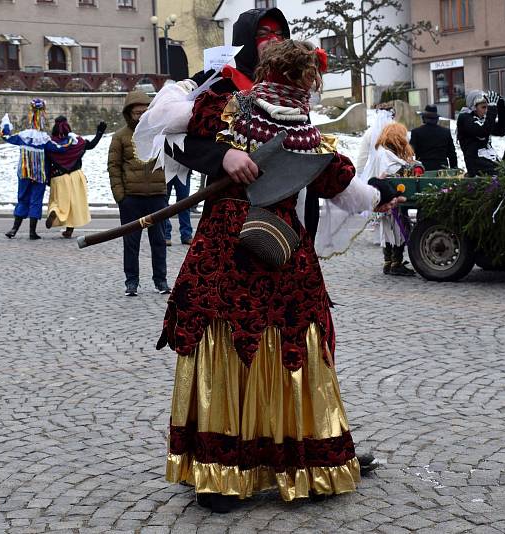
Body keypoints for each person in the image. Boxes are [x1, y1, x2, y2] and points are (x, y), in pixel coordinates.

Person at [159, 34, 400, 512]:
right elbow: (178, 140)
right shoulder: (229, 107)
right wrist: (223, 157)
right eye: (307, 77)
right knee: (275, 347)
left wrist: (376, 194)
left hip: (253, 249)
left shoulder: (291, 130)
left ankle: (234, 471)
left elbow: (343, 187)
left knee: (242, 346)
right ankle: (258, 468)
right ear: (306, 79)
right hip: (253, 250)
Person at [108, 91, 170, 296]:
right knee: (131, 243)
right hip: (131, 199)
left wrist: (165, 189)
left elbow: (172, 160)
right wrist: (120, 197)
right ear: (129, 114)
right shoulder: (120, 137)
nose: (141, 116)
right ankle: (131, 282)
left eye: (145, 112)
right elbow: (114, 167)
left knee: (159, 241)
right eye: (137, 113)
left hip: (157, 195)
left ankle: (160, 281)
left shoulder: (161, 133)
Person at [2, 98, 72, 240]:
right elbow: (60, 149)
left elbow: (6, 136)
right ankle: (32, 232)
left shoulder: (23, 136)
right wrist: (70, 140)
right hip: (40, 175)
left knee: (22, 199)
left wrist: (6, 125)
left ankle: (14, 229)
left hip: (24, 172)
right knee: (36, 200)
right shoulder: (44, 139)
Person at [45, 116, 106, 238]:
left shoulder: (50, 144)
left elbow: (46, 163)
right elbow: (91, 145)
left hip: (59, 177)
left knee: (57, 201)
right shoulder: (76, 141)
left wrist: (47, 178)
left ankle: (55, 211)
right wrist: (99, 132)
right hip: (76, 176)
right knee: (74, 203)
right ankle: (69, 230)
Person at [370, 123, 419, 276]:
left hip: (387, 199)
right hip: (390, 199)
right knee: (396, 229)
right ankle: (394, 263)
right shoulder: (385, 154)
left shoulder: (383, 152)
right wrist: (407, 167)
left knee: (391, 230)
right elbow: (389, 172)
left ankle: (390, 262)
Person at [456, 89, 505, 177]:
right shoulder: (465, 118)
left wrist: (501, 108)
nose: (486, 110)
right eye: (484, 107)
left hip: (489, 159)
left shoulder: (484, 120)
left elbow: (501, 130)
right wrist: (492, 110)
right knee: (500, 175)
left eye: (488, 107)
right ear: (473, 107)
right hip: (476, 162)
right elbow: (482, 132)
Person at [409, 105, 457, 171]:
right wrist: (454, 169)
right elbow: (452, 154)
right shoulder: (445, 132)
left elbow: (410, 152)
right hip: (442, 169)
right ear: (437, 119)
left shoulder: (416, 132)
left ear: (424, 118)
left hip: (423, 169)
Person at [163, 174, 193, 246]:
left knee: (185, 203)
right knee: (163, 203)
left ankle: (186, 235)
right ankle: (166, 234)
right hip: (166, 169)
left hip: (183, 170)